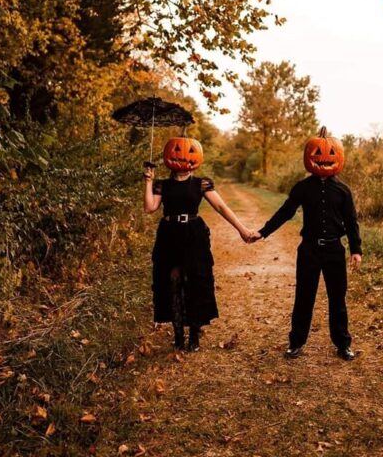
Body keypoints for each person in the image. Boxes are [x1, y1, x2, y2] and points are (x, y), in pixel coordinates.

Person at [248, 127, 362, 361]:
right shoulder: (302, 188)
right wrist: (263, 232)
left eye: (330, 153)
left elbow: (352, 222)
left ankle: (343, 344)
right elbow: (286, 212)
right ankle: (296, 342)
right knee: (304, 297)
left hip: (334, 249)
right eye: (318, 153)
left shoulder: (343, 191)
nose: (324, 157)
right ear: (309, 156)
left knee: (337, 299)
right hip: (309, 249)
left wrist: (356, 250)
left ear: (337, 157)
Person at [144, 136, 252, 352]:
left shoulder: (201, 183)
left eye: (189, 152)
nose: (183, 157)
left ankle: (194, 335)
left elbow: (221, 208)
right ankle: (178, 335)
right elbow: (150, 208)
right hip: (169, 236)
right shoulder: (162, 185)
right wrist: (148, 180)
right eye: (177, 152)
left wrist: (243, 230)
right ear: (169, 156)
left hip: (193, 235)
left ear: (197, 157)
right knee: (172, 283)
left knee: (194, 284)